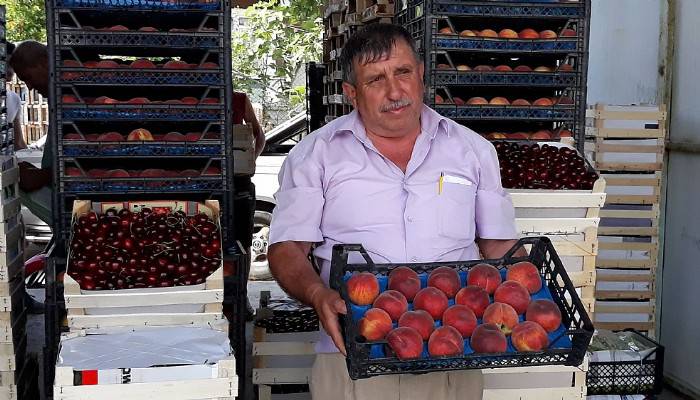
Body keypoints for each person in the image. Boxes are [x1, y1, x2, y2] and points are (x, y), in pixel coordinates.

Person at [268, 24, 523, 400]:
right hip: (354, 353)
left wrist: (530, 297)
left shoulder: (472, 151)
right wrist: (317, 293)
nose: (394, 91)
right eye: (375, 80)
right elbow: (287, 248)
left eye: (403, 72)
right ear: (352, 93)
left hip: (453, 348)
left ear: (420, 73)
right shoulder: (316, 156)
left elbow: (499, 245)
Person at [9, 41, 53, 225]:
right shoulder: (56, 100)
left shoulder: (71, 98)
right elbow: (20, 144)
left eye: (28, 77)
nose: (30, 87)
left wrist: (44, 175)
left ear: (45, 62)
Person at [231, 91, 265, 318]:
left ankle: (241, 297)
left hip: (238, 181)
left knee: (241, 243)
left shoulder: (238, 99)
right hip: (206, 180)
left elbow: (258, 134)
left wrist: (251, 159)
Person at [5, 43, 27, 151]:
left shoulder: (14, 99)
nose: (11, 71)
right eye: (6, 64)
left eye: (13, 65)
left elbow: (19, 144)